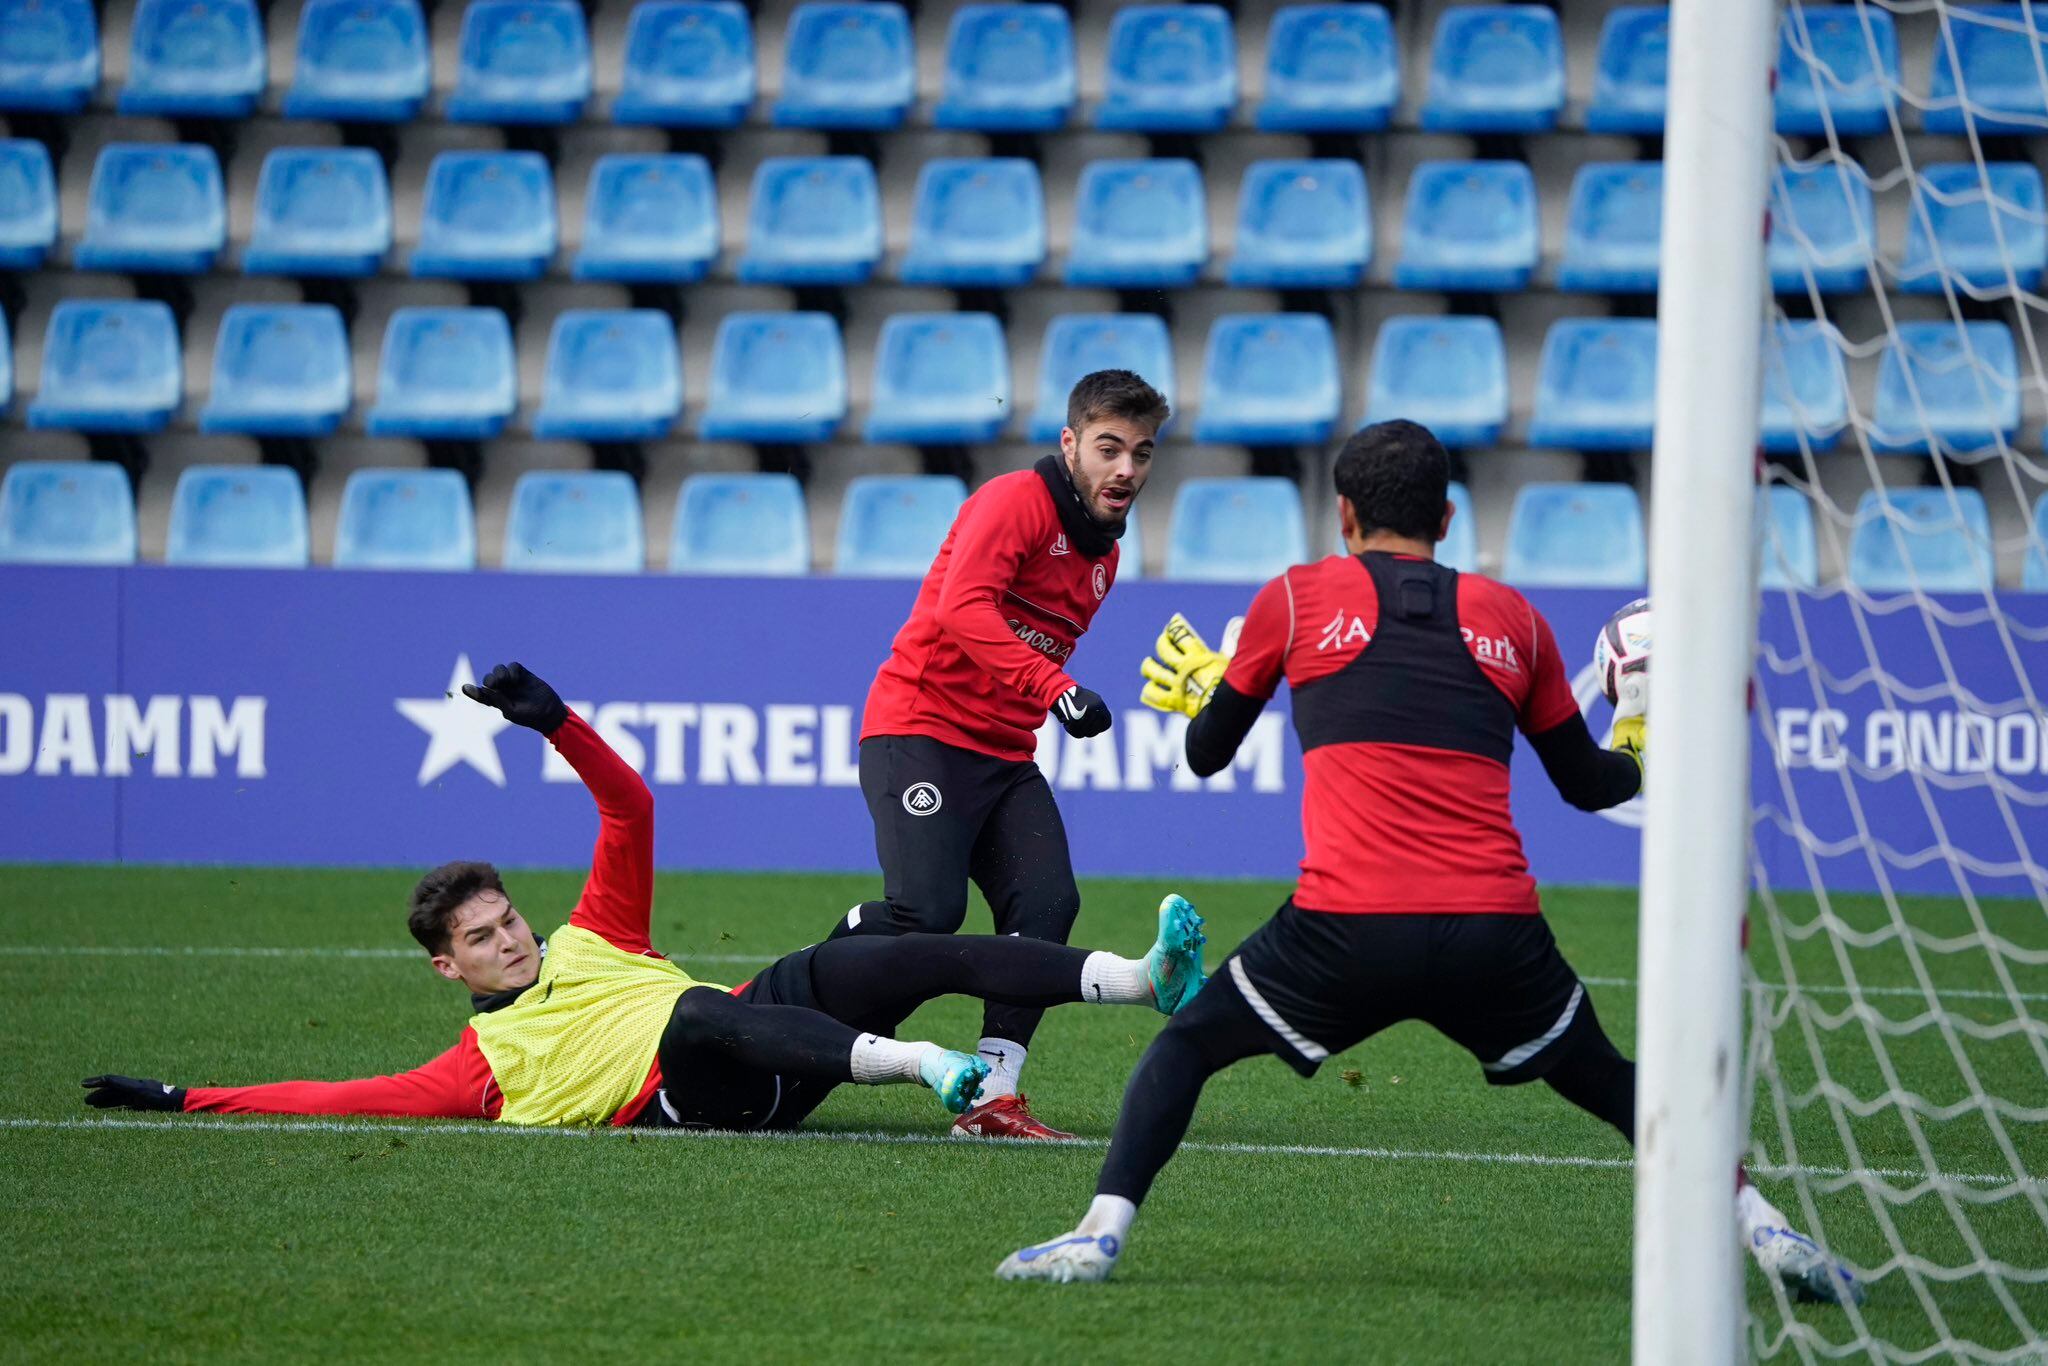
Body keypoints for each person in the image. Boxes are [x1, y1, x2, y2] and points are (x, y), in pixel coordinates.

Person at [997, 420, 1862, 1307]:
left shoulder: (1293, 600)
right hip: (1492, 931)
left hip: (1343, 929)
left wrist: (1217, 694)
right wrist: (1637, 730)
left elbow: (1208, 754)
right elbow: (1592, 786)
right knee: (1618, 1086)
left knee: (1183, 1050)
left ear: (1342, 514)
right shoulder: (1514, 621)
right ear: (1448, 519)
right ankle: (1767, 1228)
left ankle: (1097, 1238)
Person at [81, 662, 1210, 1132]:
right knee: (692, 1016)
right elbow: (339, 1098)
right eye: (481, 937)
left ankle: (1131, 979)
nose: (509, 937)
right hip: (705, 1092)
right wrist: (188, 1096)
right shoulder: (476, 1072)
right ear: (449, 968)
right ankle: (927, 1071)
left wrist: (558, 723)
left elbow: (630, 813)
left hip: (771, 1019)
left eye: (507, 916)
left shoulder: (588, 932)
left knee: (909, 942)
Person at [835, 369, 1170, 1141]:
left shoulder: (1103, 555)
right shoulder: (1016, 500)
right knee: (928, 912)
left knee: (1048, 904)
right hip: (917, 729)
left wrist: (1043, 695)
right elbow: (961, 611)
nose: (1126, 470)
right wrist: (1054, 687)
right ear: (1069, 442)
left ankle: (992, 1094)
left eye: (1143, 454)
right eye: (1109, 448)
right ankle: (825, 961)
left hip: (1002, 754)